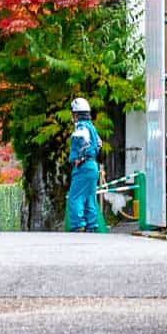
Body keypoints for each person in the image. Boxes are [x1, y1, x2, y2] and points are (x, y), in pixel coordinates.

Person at [66, 96, 103, 233]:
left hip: (83, 166)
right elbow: (99, 143)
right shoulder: (92, 127)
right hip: (93, 165)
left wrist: (79, 157)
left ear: (76, 114)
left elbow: (81, 140)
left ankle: (78, 225)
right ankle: (91, 225)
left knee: (75, 197)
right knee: (89, 197)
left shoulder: (81, 126)